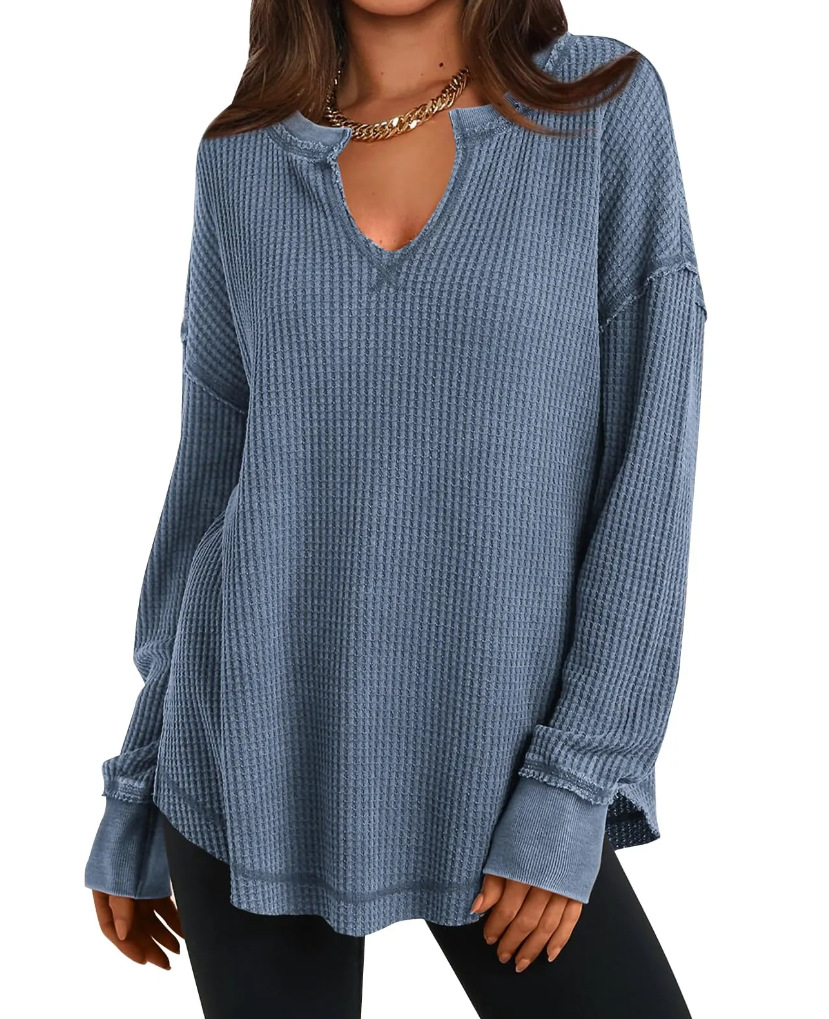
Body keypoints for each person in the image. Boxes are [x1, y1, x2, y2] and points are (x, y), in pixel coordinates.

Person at [84, 1, 707, 1016]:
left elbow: (650, 456)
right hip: (249, 754)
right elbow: (211, 482)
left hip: (503, 754)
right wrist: (142, 774)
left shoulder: (599, 104)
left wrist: (578, 773)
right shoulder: (240, 158)